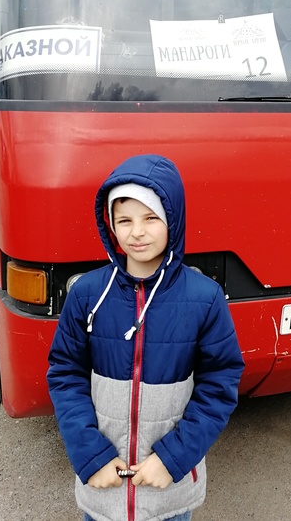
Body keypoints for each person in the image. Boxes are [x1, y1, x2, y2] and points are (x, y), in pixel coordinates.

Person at [47, 153, 244, 521]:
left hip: (168, 490)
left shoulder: (205, 298)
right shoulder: (88, 294)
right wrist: (91, 455)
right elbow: (65, 375)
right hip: (103, 489)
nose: (137, 232)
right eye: (125, 220)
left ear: (173, 219)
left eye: (151, 218)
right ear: (111, 226)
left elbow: (219, 384)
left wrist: (172, 459)